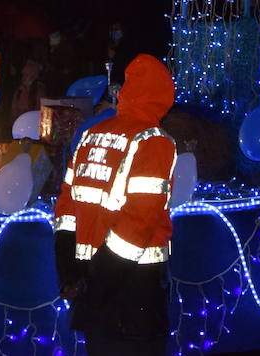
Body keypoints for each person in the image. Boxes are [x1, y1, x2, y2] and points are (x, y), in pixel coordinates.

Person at [54, 53, 177, 355]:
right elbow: (137, 225)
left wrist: (72, 276)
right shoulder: (154, 141)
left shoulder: (90, 136)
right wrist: (98, 285)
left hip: (91, 288)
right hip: (133, 295)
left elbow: (66, 211)